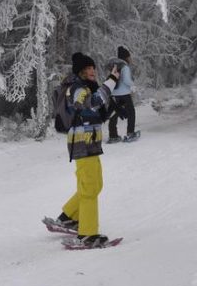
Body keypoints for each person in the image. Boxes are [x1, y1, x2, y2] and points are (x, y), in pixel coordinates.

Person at [54, 52, 120, 248]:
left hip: (90, 145)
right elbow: (87, 103)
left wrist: (113, 108)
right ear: (81, 71)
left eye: (93, 68)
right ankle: (87, 235)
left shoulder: (85, 88)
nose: (92, 71)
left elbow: (93, 114)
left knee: (95, 185)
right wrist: (111, 82)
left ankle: (68, 216)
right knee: (90, 187)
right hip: (82, 144)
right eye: (88, 69)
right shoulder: (76, 88)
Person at [108, 46, 139, 143]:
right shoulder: (125, 66)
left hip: (114, 93)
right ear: (125, 57)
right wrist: (132, 86)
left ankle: (113, 136)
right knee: (131, 112)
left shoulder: (114, 65)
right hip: (124, 94)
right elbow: (126, 80)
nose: (130, 58)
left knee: (115, 113)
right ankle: (130, 133)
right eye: (129, 56)